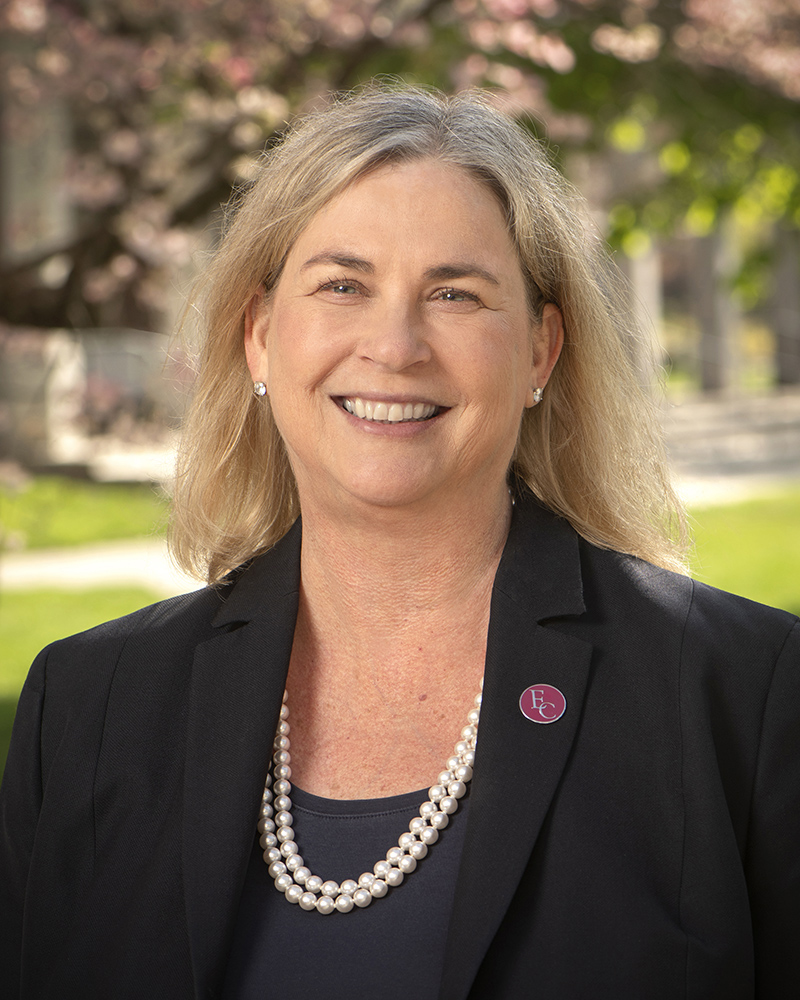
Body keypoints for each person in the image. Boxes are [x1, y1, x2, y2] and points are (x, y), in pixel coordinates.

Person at [1, 84, 798, 1000]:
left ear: (540, 352)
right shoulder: (89, 707)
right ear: (259, 337)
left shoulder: (744, 695)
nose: (395, 344)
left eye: (454, 293)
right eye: (343, 285)